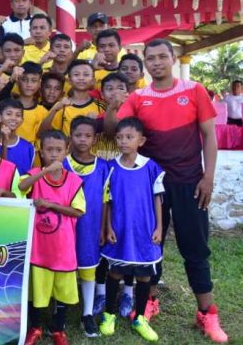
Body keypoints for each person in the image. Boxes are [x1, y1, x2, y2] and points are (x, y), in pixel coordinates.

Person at [105, 39, 228, 343]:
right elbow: (113, 131)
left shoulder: (194, 90)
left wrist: (208, 177)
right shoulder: (138, 97)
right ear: (145, 63)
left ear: (173, 58)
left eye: (162, 56)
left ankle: (207, 313)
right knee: (152, 244)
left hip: (190, 182)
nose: (157, 62)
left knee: (195, 247)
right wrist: (112, 107)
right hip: (150, 187)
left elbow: (209, 136)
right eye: (151, 58)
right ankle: (149, 301)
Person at [99, 117, 165, 342]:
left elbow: (158, 199)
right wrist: (108, 227)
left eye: (129, 137)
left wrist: (159, 227)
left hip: (144, 229)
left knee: (144, 275)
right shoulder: (111, 167)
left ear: (141, 141)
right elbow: (107, 201)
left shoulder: (151, 167)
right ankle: (109, 314)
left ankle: (140, 318)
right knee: (115, 272)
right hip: (120, 229)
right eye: (119, 137)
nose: (123, 141)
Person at [19, 130, 85, 345]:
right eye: (49, 150)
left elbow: (78, 211)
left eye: (58, 150)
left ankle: (58, 329)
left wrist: (50, 205)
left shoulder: (73, 180)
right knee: (38, 290)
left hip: (63, 248)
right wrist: (44, 171)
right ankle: (35, 327)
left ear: (66, 151)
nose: (54, 154)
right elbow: (21, 187)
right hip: (39, 247)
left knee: (63, 291)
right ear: (41, 152)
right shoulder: (34, 175)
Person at [63, 116, 110, 338]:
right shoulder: (62, 163)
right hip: (64, 226)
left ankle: (87, 313)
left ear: (95, 139)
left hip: (91, 225)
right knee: (63, 267)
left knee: (88, 267)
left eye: (88, 136)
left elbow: (105, 200)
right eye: (78, 135)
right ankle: (60, 312)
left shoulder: (103, 166)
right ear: (70, 136)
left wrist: (103, 228)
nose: (83, 139)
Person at [39, 59, 104, 138]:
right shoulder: (60, 106)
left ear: (93, 81)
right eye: (76, 74)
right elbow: (42, 134)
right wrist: (54, 110)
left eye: (86, 74)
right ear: (69, 80)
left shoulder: (101, 106)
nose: (81, 78)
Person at [0, 61, 48, 145]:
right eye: (24, 80)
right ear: (18, 81)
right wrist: (11, 80)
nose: (29, 84)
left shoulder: (43, 112)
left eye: (34, 81)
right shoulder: (7, 105)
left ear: (39, 83)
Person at [0, 99, 35, 175]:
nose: (13, 118)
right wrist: (5, 143)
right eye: (9, 114)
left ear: (22, 120)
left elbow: (32, 175)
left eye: (18, 115)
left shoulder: (28, 147)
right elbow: (2, 172)